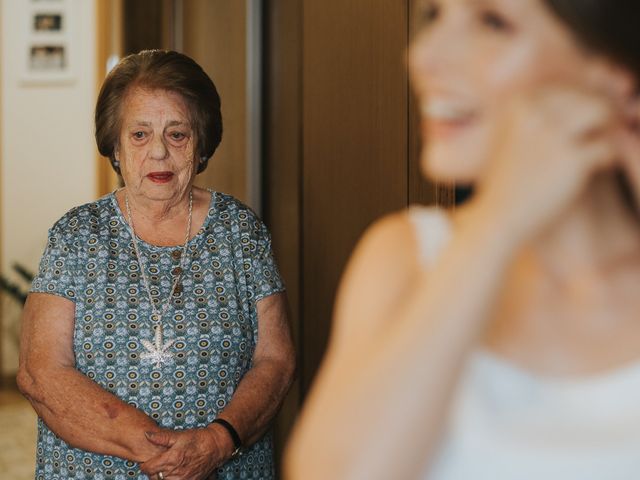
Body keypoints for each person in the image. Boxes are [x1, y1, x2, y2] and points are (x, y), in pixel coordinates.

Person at [285, 1, 640, 479]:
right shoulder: (406, 255)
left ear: (612, 76)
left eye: (494, 22)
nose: (424, 56)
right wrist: (498, 223)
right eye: (434, 15)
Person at [18, 50, 295, 480]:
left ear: (201, 142)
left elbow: (276, 360)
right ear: (114, 145)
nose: (160, 152)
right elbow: (41, 372)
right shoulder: (75, 236)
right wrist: (165, 453)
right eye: (140, 135)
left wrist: (216, 442)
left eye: (178, 134)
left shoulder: (242, 232)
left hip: (224, 465)